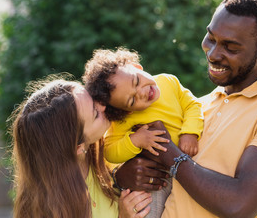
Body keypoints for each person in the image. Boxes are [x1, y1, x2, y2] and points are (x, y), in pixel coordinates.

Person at [114, 0, 257, 218]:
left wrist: (169, 153)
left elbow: (238, 205)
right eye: (211, 38)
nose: (214, 54)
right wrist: (125, 176)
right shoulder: (198, 106)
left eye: (231, 47)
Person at [9, 73, 152, 218]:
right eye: (95, 114)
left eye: (92, 97)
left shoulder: (106, 142)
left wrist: (120, 176)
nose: (103, 105)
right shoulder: (51, 211)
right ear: (78, 148)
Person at [82, 47, 204, 217]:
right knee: (144, 209)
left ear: (136, 67)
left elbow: (193, 105)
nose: (142, 92)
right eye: (132, 100)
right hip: (156, 178)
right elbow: (110, 151)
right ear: (127, 111)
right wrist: (134, 141)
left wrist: (190, 132)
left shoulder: (169, 82)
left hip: (191, 164)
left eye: (136, 81)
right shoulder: (124, 120)